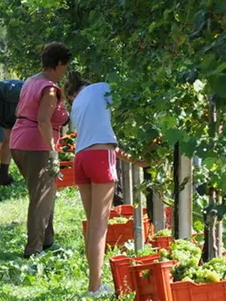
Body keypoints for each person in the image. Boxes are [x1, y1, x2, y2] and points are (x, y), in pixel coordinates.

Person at [64, 70, 146, 298]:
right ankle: (95, 287)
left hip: (80, 160)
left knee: (93, 224)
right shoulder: (101, 88)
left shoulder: (77, 105)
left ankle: (95, 283)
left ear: (71, 94)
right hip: (100, 159)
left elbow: (100, 140)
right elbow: (129, 103)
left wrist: (135, 160)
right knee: (100, 226)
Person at [10, 42, 72, 258]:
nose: (65, 71)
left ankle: (47, 241)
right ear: (58, 64)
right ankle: (34, 249)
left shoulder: (31, 81)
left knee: (45, 194)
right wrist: (53, 151)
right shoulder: (49, 88)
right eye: (65, 66)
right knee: (42, 196)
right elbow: (43, 121)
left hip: (19, 141)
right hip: (36, 145)